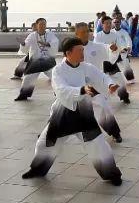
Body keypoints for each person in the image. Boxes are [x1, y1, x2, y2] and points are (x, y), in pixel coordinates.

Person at [21, 38, 123, 184]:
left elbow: (101, 77)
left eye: (83, 50)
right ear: (68, 53)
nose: (83, 53)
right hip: (63, 113)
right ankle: (37, 170)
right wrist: (81, 89)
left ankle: (112, 174)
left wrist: (110, 84)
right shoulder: (58, 70)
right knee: (45, 143)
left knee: (98, 145)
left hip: (83, 114)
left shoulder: (86, 67)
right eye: (79, 50)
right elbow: (61, 89)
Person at [74, 22, 122, 141]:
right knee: (62, 111)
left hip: (96, 86)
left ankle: (115, 132)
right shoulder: (72, 49)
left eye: (88, 31)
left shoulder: (97, 46)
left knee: (104, 109)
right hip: (78, 87)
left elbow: (110, 52)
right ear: (76, 34)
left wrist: (113, 49)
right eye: (83, 32)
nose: (87, 34)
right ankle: (51, 134)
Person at [15, 18, 59, 101]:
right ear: (37, 25)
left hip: (48, 60)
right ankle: (23, 95)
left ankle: (59, 93)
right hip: (35, 61)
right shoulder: (32, 35)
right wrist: (23, 43)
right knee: (28, 78)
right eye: (41, 24)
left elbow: (55, 42)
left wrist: (47, 44)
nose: (43, 26)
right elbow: (26, 45)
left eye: (44, 24)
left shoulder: (50, 35)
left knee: (56, 77)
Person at [94, 17, 132, 104]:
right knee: (99, 81)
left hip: (112, 61)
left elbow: (119, 46)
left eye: (109, 23)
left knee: (120, 80)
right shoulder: (98, 36)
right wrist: (108, 48)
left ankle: (124, 96)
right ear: (102, 24)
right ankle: (97, 98)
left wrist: (121, 50)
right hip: (102, 62)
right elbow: (96, 48)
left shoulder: (115, 35)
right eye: (106, 23)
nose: (108, 25)